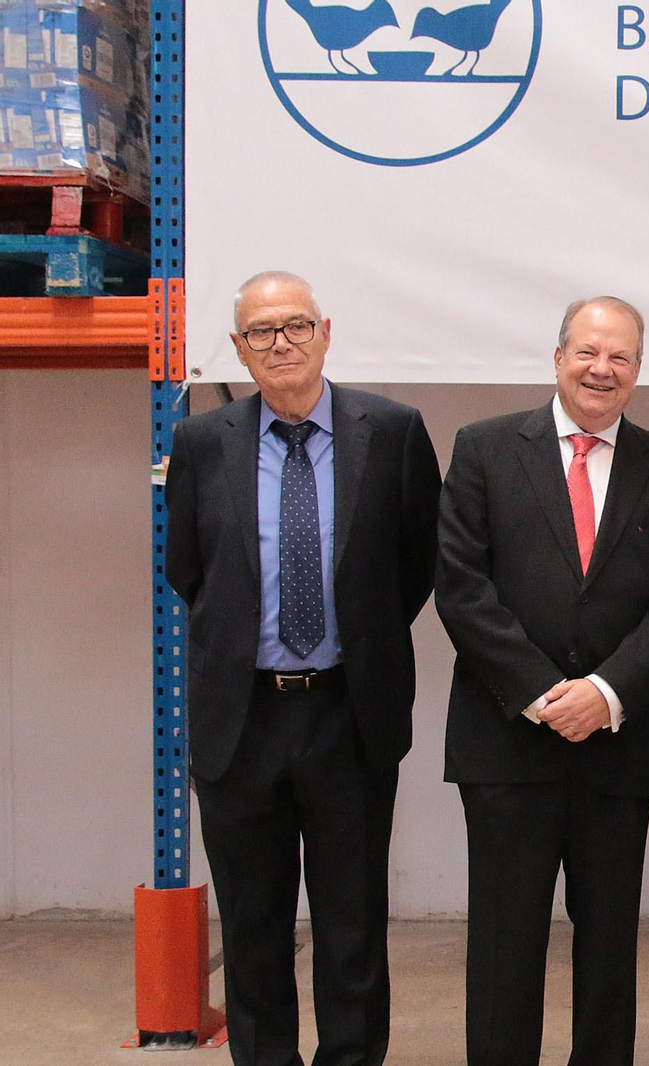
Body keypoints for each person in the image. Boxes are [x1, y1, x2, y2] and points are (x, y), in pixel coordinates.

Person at [164, 270, 441, 1066]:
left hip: (348, 714)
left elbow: (414, 564)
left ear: (326, 331)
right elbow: (189, 568)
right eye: (260, 332)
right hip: (240, 719)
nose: (280, 343)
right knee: (252, 925)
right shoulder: (202, 443)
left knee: (352, 924)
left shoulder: (391, 431)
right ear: (239, 350)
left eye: (294, 326)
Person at [435, 297, 649, 1066]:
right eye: (588, 352)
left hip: (618, 748)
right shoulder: (485, 449)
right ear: (557, 359)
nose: (602, 368)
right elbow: (460, 585)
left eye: (620, 357)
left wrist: (606, 695)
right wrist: (545, 695)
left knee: (610, 950)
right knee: (502, 948)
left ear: (638, 372)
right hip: (506, 743)